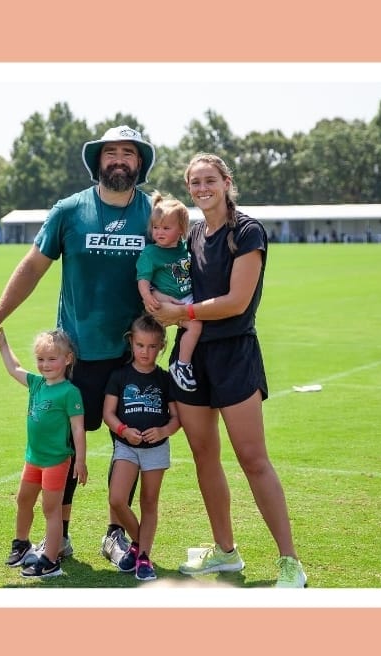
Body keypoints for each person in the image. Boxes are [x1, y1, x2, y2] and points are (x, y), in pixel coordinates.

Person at [0, 125, 156, 565]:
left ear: (139, 164)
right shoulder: (69, 211)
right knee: (64, 446)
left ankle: (116, 534)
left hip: (133, 358)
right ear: (98, 162)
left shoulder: (153, 213)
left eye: (128, 153)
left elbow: (172, 268)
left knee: (128, 447)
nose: (119, 161)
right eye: (110, 153)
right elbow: (33, 266)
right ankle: (62, 533)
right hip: (77, 355)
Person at [147, 152, 308, 588]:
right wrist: (158, 306)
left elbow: (237, 301)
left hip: (235, 354)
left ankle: (290, 561)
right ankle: (225, 552)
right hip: (192, 356)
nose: (201, 188)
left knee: (253, 459)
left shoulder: (247, 231)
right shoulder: (192, 233)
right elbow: (163, 271)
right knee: (204, 456)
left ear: (226, 181)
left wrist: (180, 312)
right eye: (194, 182)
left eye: (209, 180)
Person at [0, 328, 88, 579]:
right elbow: (15, 369)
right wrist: (3, 344)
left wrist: (81, 461)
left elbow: (78, 428)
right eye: (41, 359)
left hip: (56, 462)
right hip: (33, 459)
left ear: (67, 359)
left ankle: (51, 560)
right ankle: (22, 544)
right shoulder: (36, 384)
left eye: (52, 359)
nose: (45, 365)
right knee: (23, 500)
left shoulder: (69, 392)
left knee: (50, 509)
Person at [102, 314, 180, 581]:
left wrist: (163, 431)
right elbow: (108, 414)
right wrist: (123, 430)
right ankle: (139, 543)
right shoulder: (120, 376)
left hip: (156, 450)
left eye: (152, 346)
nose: (145, 352)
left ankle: (143, 556)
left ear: (161, 347)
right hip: (127, 447)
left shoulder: (164, 379)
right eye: (140, 345)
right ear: (131, 343)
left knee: (149, 502)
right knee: (117, 499)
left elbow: (176, 418)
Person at [137, 192, 202, 392]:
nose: (159, 232)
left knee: (202, 320)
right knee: (195, 325)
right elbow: (143, 280)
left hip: (185, 297)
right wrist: (148, 297)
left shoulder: (184, 248)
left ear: (181, 229)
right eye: (156, 228)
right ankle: (181, 364)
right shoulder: (151, 252)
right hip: (164, 303)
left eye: (166, 228)